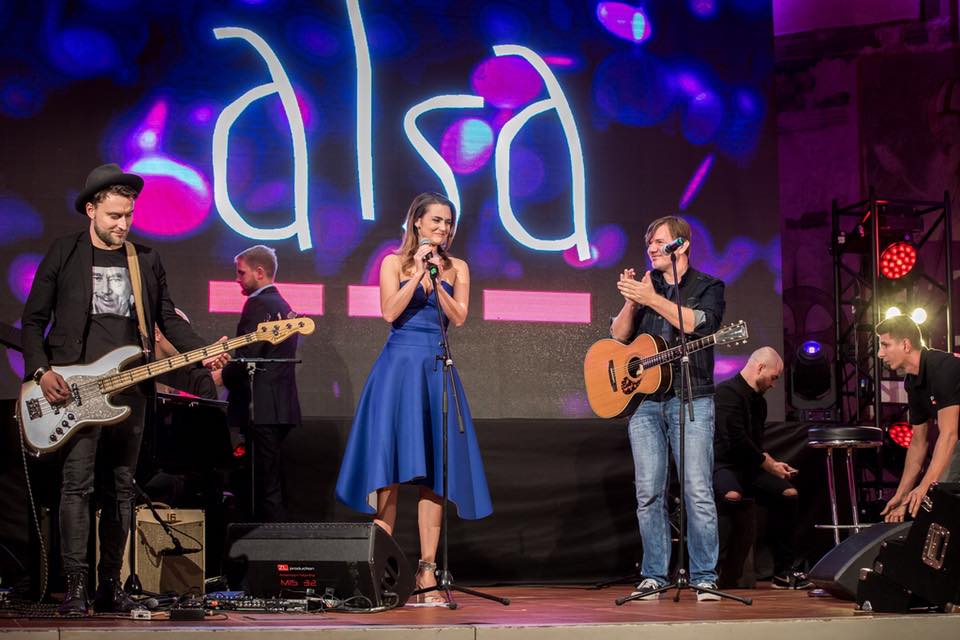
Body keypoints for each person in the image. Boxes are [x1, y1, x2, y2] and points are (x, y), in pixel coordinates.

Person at [20, 163, 229, 615]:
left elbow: (166, 318)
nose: (122, 224)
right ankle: (76, 587)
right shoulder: (64, 252)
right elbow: (33, 321)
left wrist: (203, 351)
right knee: (77, 487)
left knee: (120, 489)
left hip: (131, 388)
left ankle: (109, 586)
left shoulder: (145, 259)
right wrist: (41, 371)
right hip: (75, 391)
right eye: (114, 215)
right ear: (91, 211)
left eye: (128, 216)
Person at [335, 192, 492, 604]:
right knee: (387, 470)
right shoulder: (393, 262)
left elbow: (459, 316)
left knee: (433, 477)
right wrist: (417, 274)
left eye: (448, 222)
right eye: (436, 220)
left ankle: (426, 571)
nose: (443, 228)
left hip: (435, 369)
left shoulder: (457, 267)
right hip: (397, 371)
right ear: (417, 222)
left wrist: (436, 281)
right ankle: (379, 569)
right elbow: (390, 312)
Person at [609, 215, 724, 601]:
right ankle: (654, 574)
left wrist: (650, 299)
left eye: (660, 242)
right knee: (648, 493)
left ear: (682, 245)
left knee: (697, 489)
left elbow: (698, 325)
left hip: (692, 398)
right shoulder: (647, 286)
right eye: (650, 243)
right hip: (644, 402)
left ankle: (704, 575)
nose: (652, 249)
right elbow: (619, 336)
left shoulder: (708, 286)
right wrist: (631, 302)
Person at [713, 347, 811, 589]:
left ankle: (782, 571)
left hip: (749, 469)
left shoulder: (759, 402)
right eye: (773, 377)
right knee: (731, 496)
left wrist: (774, 464)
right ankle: (715, 571)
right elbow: (735, 440)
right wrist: (768, 464)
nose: (774, 384)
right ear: (759, 368)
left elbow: (754, 446)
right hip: (722, 465)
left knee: (788, 494)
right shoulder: (726, 393)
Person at [221, 245, 301, 522]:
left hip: (260, 409)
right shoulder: (282, 306)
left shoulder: (258, 305)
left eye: (241, 273)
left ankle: (266, 542)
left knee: (262, 486)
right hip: (279, 407)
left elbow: (248, 357)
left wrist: (222, 374)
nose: (237, 279)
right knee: (270, 481)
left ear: (259, 272)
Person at [876, 315, 960, 522]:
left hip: (955, 439)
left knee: (939, 493)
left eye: (885, 345)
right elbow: (918, 443)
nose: (880, 353)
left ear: (905, 344)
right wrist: (902, 494)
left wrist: (925, 487)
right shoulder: (912, 382)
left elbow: (949, 434)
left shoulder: (944, 368)